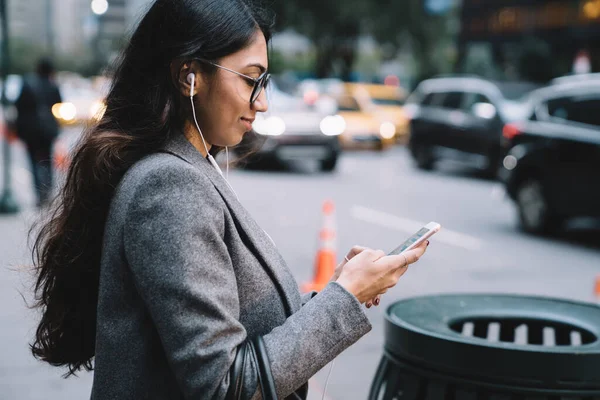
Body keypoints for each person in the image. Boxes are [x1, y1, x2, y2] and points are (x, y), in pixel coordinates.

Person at [29, 1, 429, 399]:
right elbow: (224, 386)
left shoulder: (188, 166)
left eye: (264, 81)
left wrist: (338, 291)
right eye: (249, 79)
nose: (262, 102)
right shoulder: (168, 187)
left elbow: (237, 317)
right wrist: (346, 299)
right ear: (189, 76)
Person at [15, 58, 62, 207]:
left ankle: (39, 193)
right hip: (47, 130)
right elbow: (59, 103)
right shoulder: (52, 85)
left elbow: (18, 105)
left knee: (33, 161)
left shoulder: (27, 84)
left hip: (30, 130)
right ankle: (47, 190)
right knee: (47, 159)